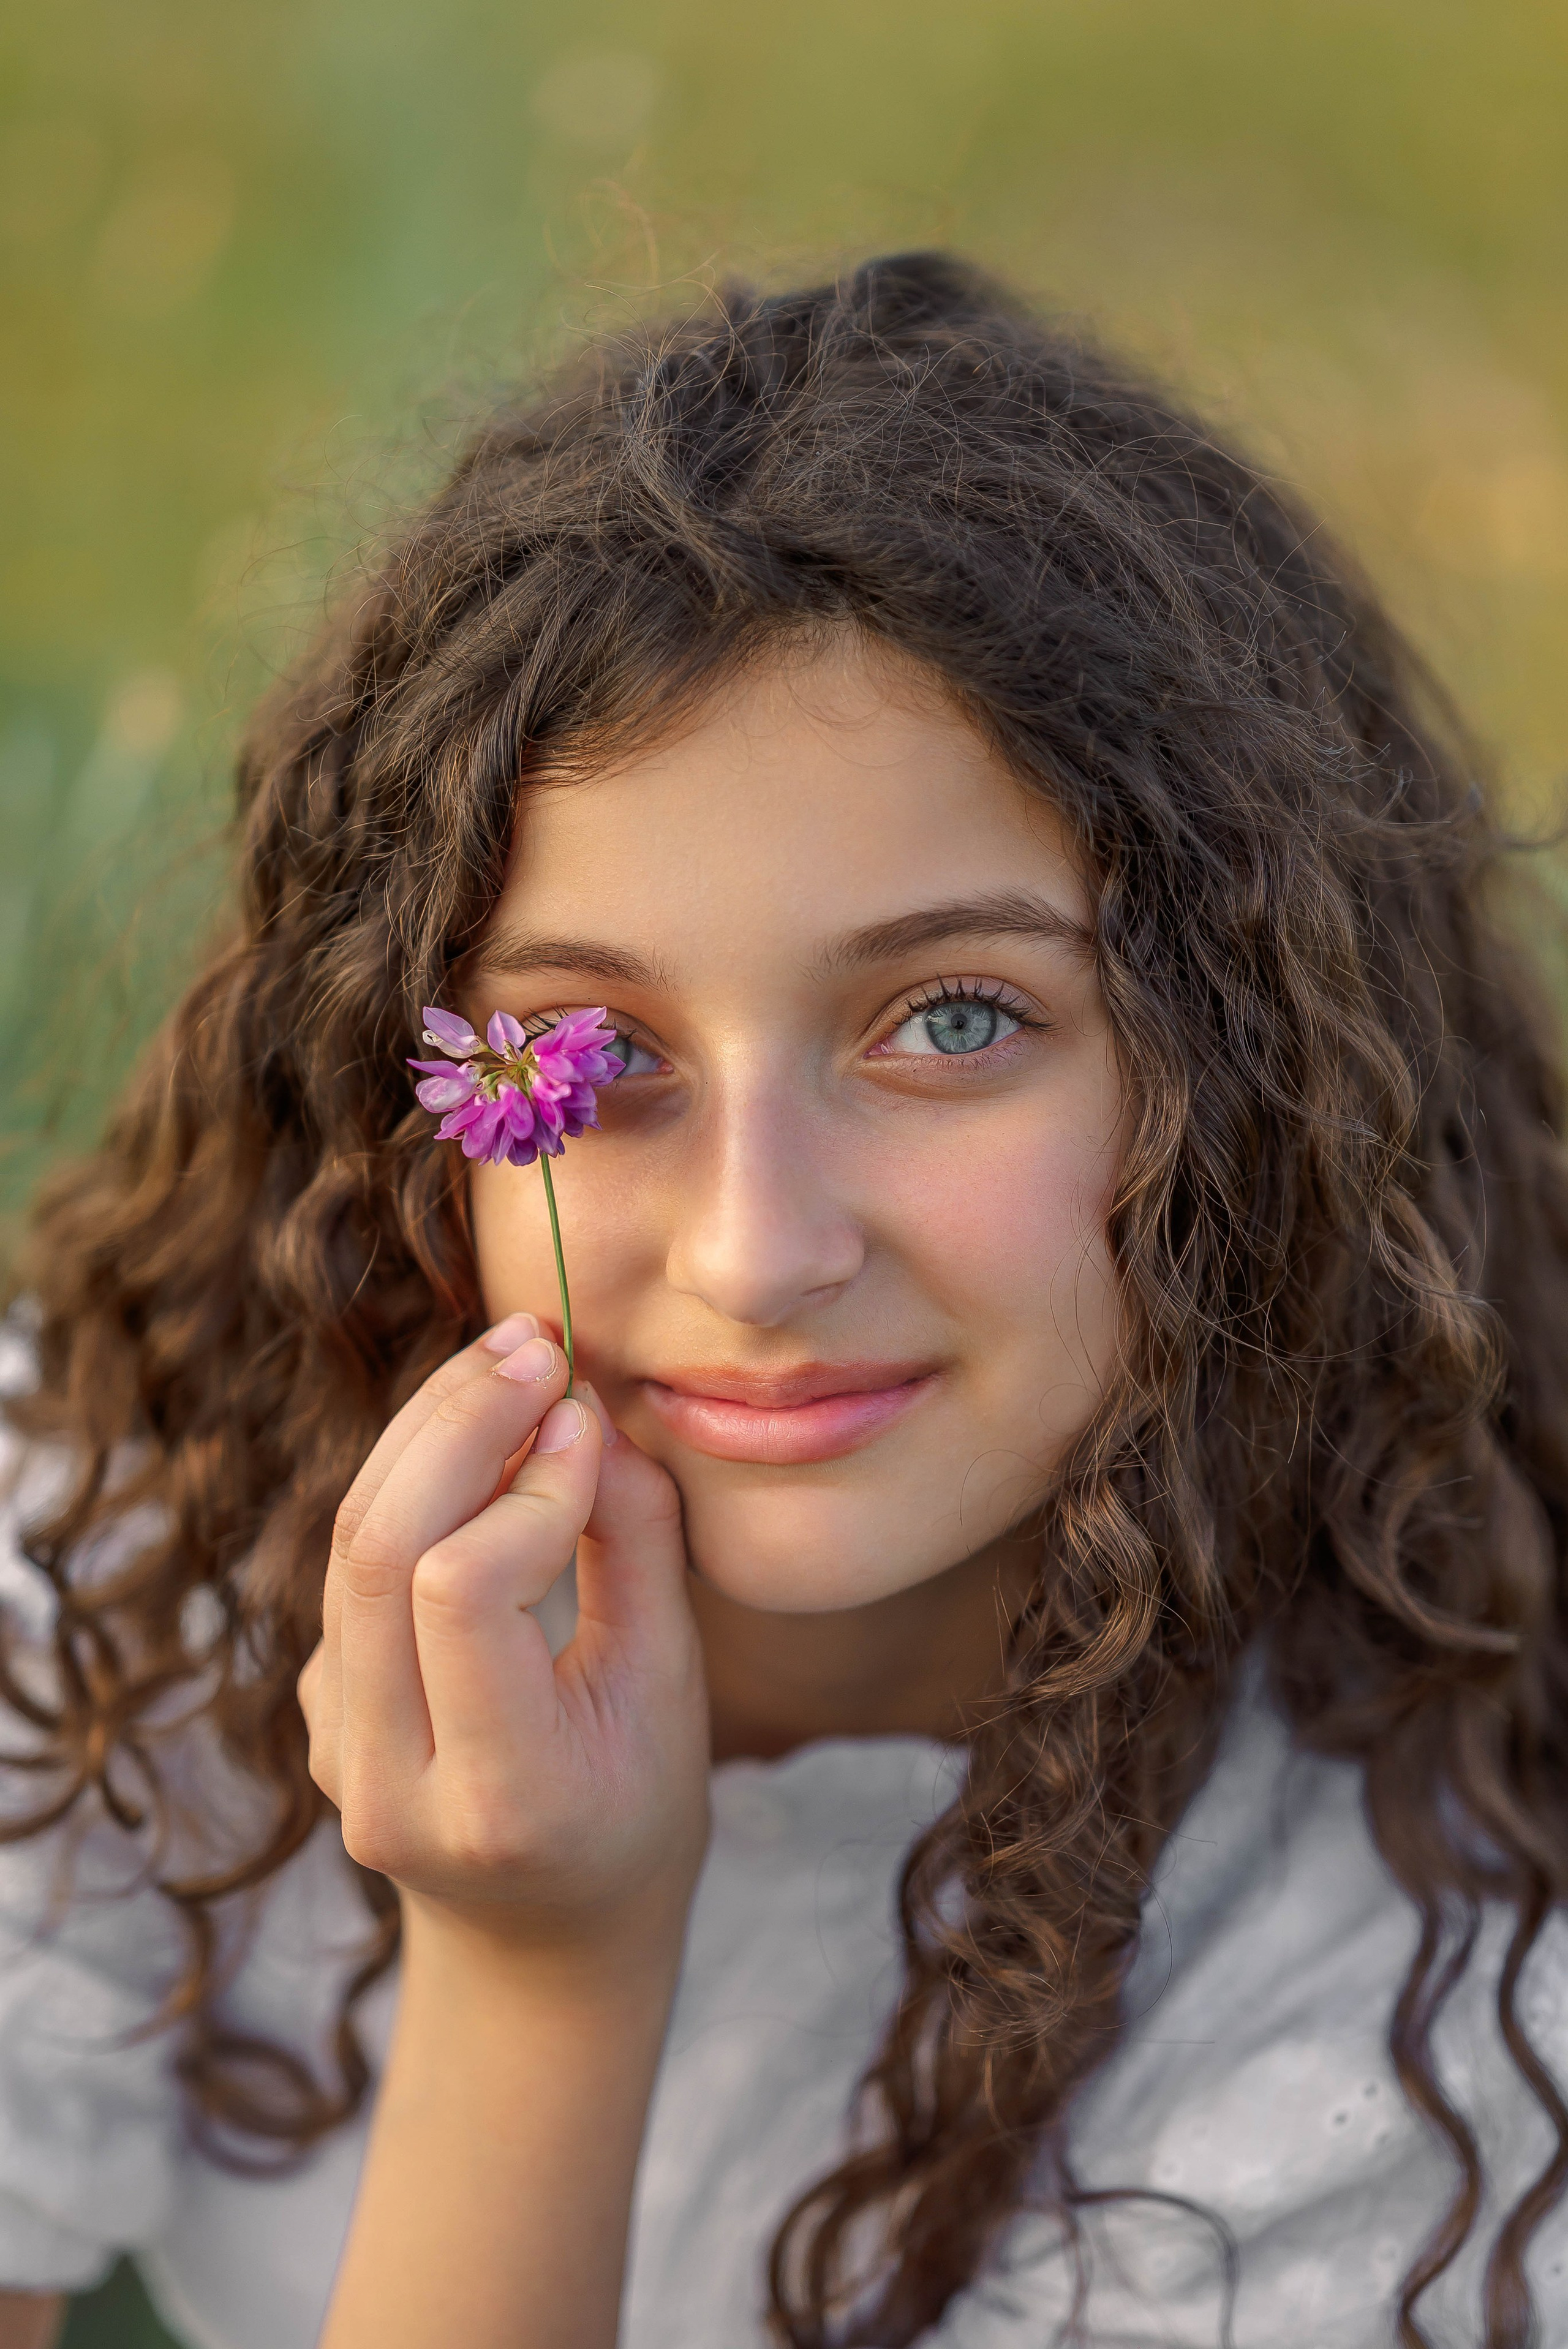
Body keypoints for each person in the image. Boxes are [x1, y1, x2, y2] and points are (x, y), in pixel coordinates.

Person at [1, 252, 1566, 2349]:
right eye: (596, 1055)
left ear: (1250, 1065)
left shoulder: (1439, 1993)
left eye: (951, 1017)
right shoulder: (117, 1549)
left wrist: (535, 1980)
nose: (756, 1252)